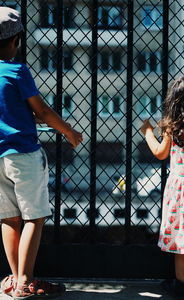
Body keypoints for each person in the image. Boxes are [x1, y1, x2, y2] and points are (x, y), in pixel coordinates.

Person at [0, 7, 83, 299]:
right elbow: (43, 111)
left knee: (8, 218)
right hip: (22, 154)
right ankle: (25, 281)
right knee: (34, 216)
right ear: (15, 41)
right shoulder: (17, 70)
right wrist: (70, 132)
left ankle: (13, 278)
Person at [140, 75, 184, 298]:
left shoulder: (174, 126)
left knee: (183, 241)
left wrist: (147, 132)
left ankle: (181, 286)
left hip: (182, 191)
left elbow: (160, 153)